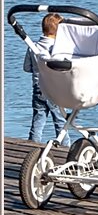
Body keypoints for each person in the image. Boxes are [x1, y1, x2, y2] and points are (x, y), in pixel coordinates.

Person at [24, 13, 66, 143]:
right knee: (61, 122)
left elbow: (26, 68)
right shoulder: (59, 48)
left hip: (38, 88)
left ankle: (31, 148)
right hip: (55, 90)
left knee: (37, 121)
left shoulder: (33, 46)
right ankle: (66, 149)